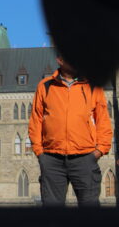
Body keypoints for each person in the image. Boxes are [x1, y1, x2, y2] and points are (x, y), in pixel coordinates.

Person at [28, 54, 112, 207]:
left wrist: (100, 150)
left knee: (90, 211)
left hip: (84, 158)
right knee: (52, 214)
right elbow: (36, 120)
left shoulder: (92, 86)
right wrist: (39, 152)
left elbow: (103, 120)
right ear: (60, 60)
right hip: (52, 159)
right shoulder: (45, 86)